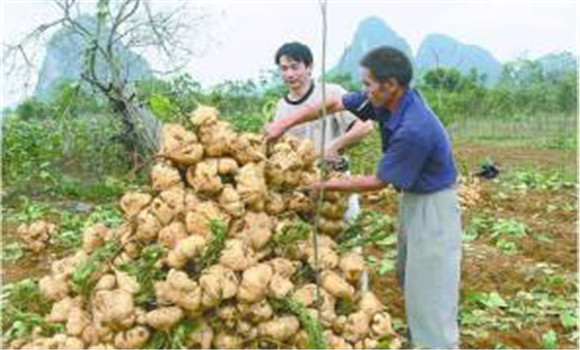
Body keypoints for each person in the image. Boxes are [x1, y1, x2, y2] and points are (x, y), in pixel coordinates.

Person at [265, 46, 462, 349]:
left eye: (368, 84)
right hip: (413, 198)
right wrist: (283, 124)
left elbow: (377, 181)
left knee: (431, 288)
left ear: (390, 85)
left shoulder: (414, 128)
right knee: (408, 275)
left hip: (434, 206)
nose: (363, 90)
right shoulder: (387, 102)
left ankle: (436, 344)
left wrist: (323, 184)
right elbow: (332, 103)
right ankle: (420, 339)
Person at [273, 41, 374, 223]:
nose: (289, 74)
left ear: (309, 67)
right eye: (284, 68)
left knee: (347, 230)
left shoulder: (331, 93)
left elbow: (366, 126)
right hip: (304, 186)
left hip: (336, 175)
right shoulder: (281, 107)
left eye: (295, 67)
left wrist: (335, 145)